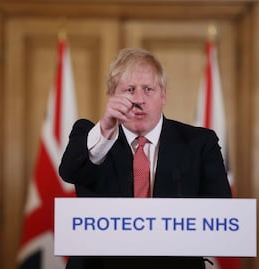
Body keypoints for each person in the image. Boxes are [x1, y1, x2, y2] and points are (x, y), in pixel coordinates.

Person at [59, 48, 232, 269]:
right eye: (129, 90)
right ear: (112, 96)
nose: (138, 99)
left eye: (148, 89)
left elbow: (221, 212)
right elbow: (69, 172)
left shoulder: (199, 143)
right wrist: (105, 129)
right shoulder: (90, 135)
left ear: (164, 96)